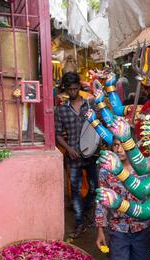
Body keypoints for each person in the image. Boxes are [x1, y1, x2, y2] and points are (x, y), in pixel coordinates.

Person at [95, 138, 150, 260]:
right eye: (115, 145)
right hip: (118, 228)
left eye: (123, 145)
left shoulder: (145, 170)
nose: (119, 149)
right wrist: (100, 230)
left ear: (132, 147)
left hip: (142, 228)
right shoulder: (106, 171)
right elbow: (102, 201)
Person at [55, 72, 99, 238]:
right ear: (66, 90)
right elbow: (58, 134)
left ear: (79, 88)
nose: (73, 92)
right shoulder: (61, 110)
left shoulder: (91, 105)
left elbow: (99, 125)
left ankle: (87, 208)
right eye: (70, 89)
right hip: (73, 156)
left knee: (95, 187)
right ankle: (80, 221)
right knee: (75, 190)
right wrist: (68, 148)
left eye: (75, 88)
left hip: (92, 154)